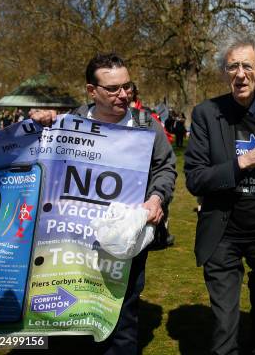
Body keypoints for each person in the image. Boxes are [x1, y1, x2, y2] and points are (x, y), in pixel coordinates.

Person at [31, 53, 177, 354]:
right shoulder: (69, 123)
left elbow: (165, 167)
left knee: (122, 320)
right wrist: (39, 124)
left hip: (125, 242)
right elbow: (36, 161)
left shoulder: (145, 126)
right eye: (113, 88)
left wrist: (156, 197)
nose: (123, 94)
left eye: (128, 86)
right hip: (72, 243)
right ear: (91, 91)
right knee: (67, 318)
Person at [184, 32, 255, 355]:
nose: (240, 74)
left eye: (247, 66)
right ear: (225, 73)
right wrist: (244, 162)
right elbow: (195, 178)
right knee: (224, 324)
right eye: (232, 67)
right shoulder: (206, 114)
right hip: (223, 232)